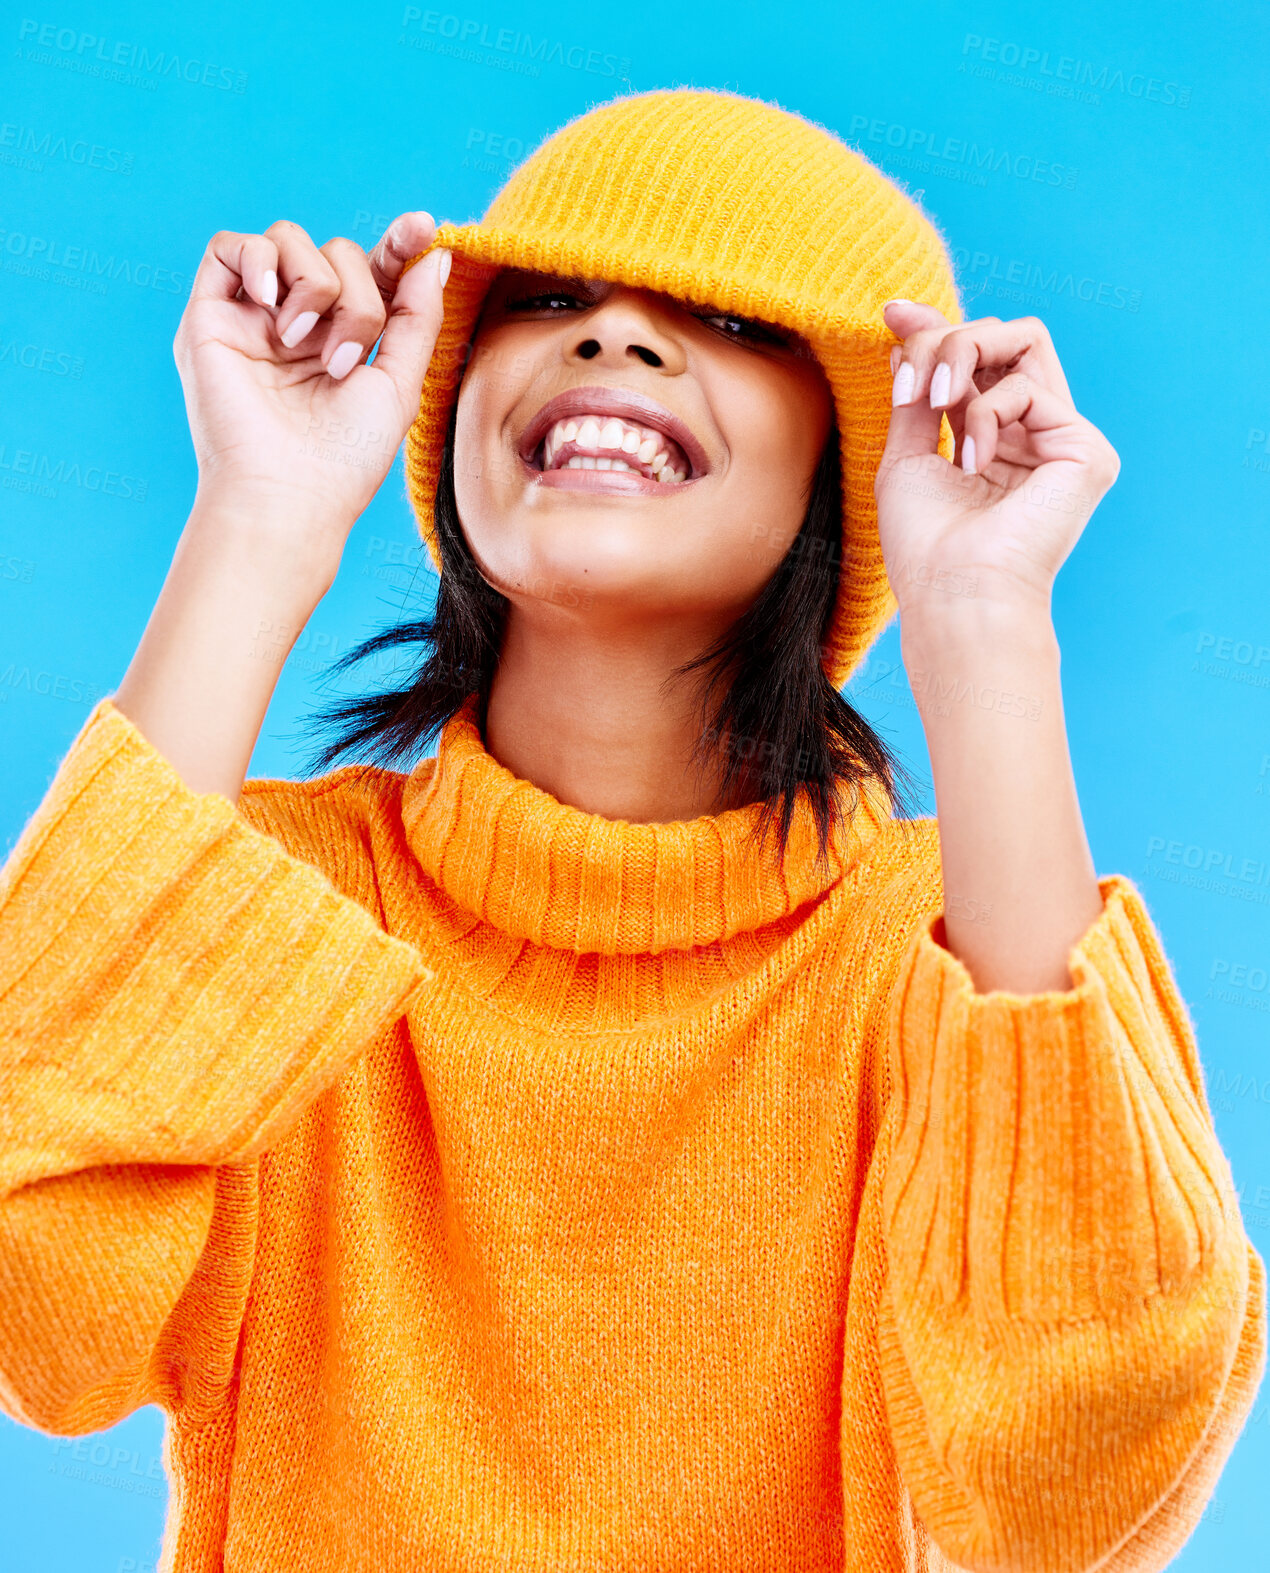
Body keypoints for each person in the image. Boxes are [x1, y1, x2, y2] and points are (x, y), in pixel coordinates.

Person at [0, 86, 1263, 1573]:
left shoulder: (940, 949)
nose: (608, 334)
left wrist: (982, 620)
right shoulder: (273, 911)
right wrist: (258, 520)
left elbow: (1067, 1494)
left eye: (728, 319)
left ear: (843, 470)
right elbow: (41, 1315)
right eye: (541, 298)